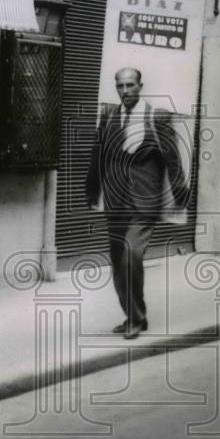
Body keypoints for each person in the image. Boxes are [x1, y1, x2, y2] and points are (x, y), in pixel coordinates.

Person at [86, 68, 189, 340]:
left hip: (145, 201)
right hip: (115, 200)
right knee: (119, 262)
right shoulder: (109, 116)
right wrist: (91, 190)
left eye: (130, 85)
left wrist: (180, 194)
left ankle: (135, 318)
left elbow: (173, 158)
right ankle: (133, 313)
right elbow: (98, 156)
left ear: (140, 86)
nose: (125, 91)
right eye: (120, 86)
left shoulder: (158, 118)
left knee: (132, 255)